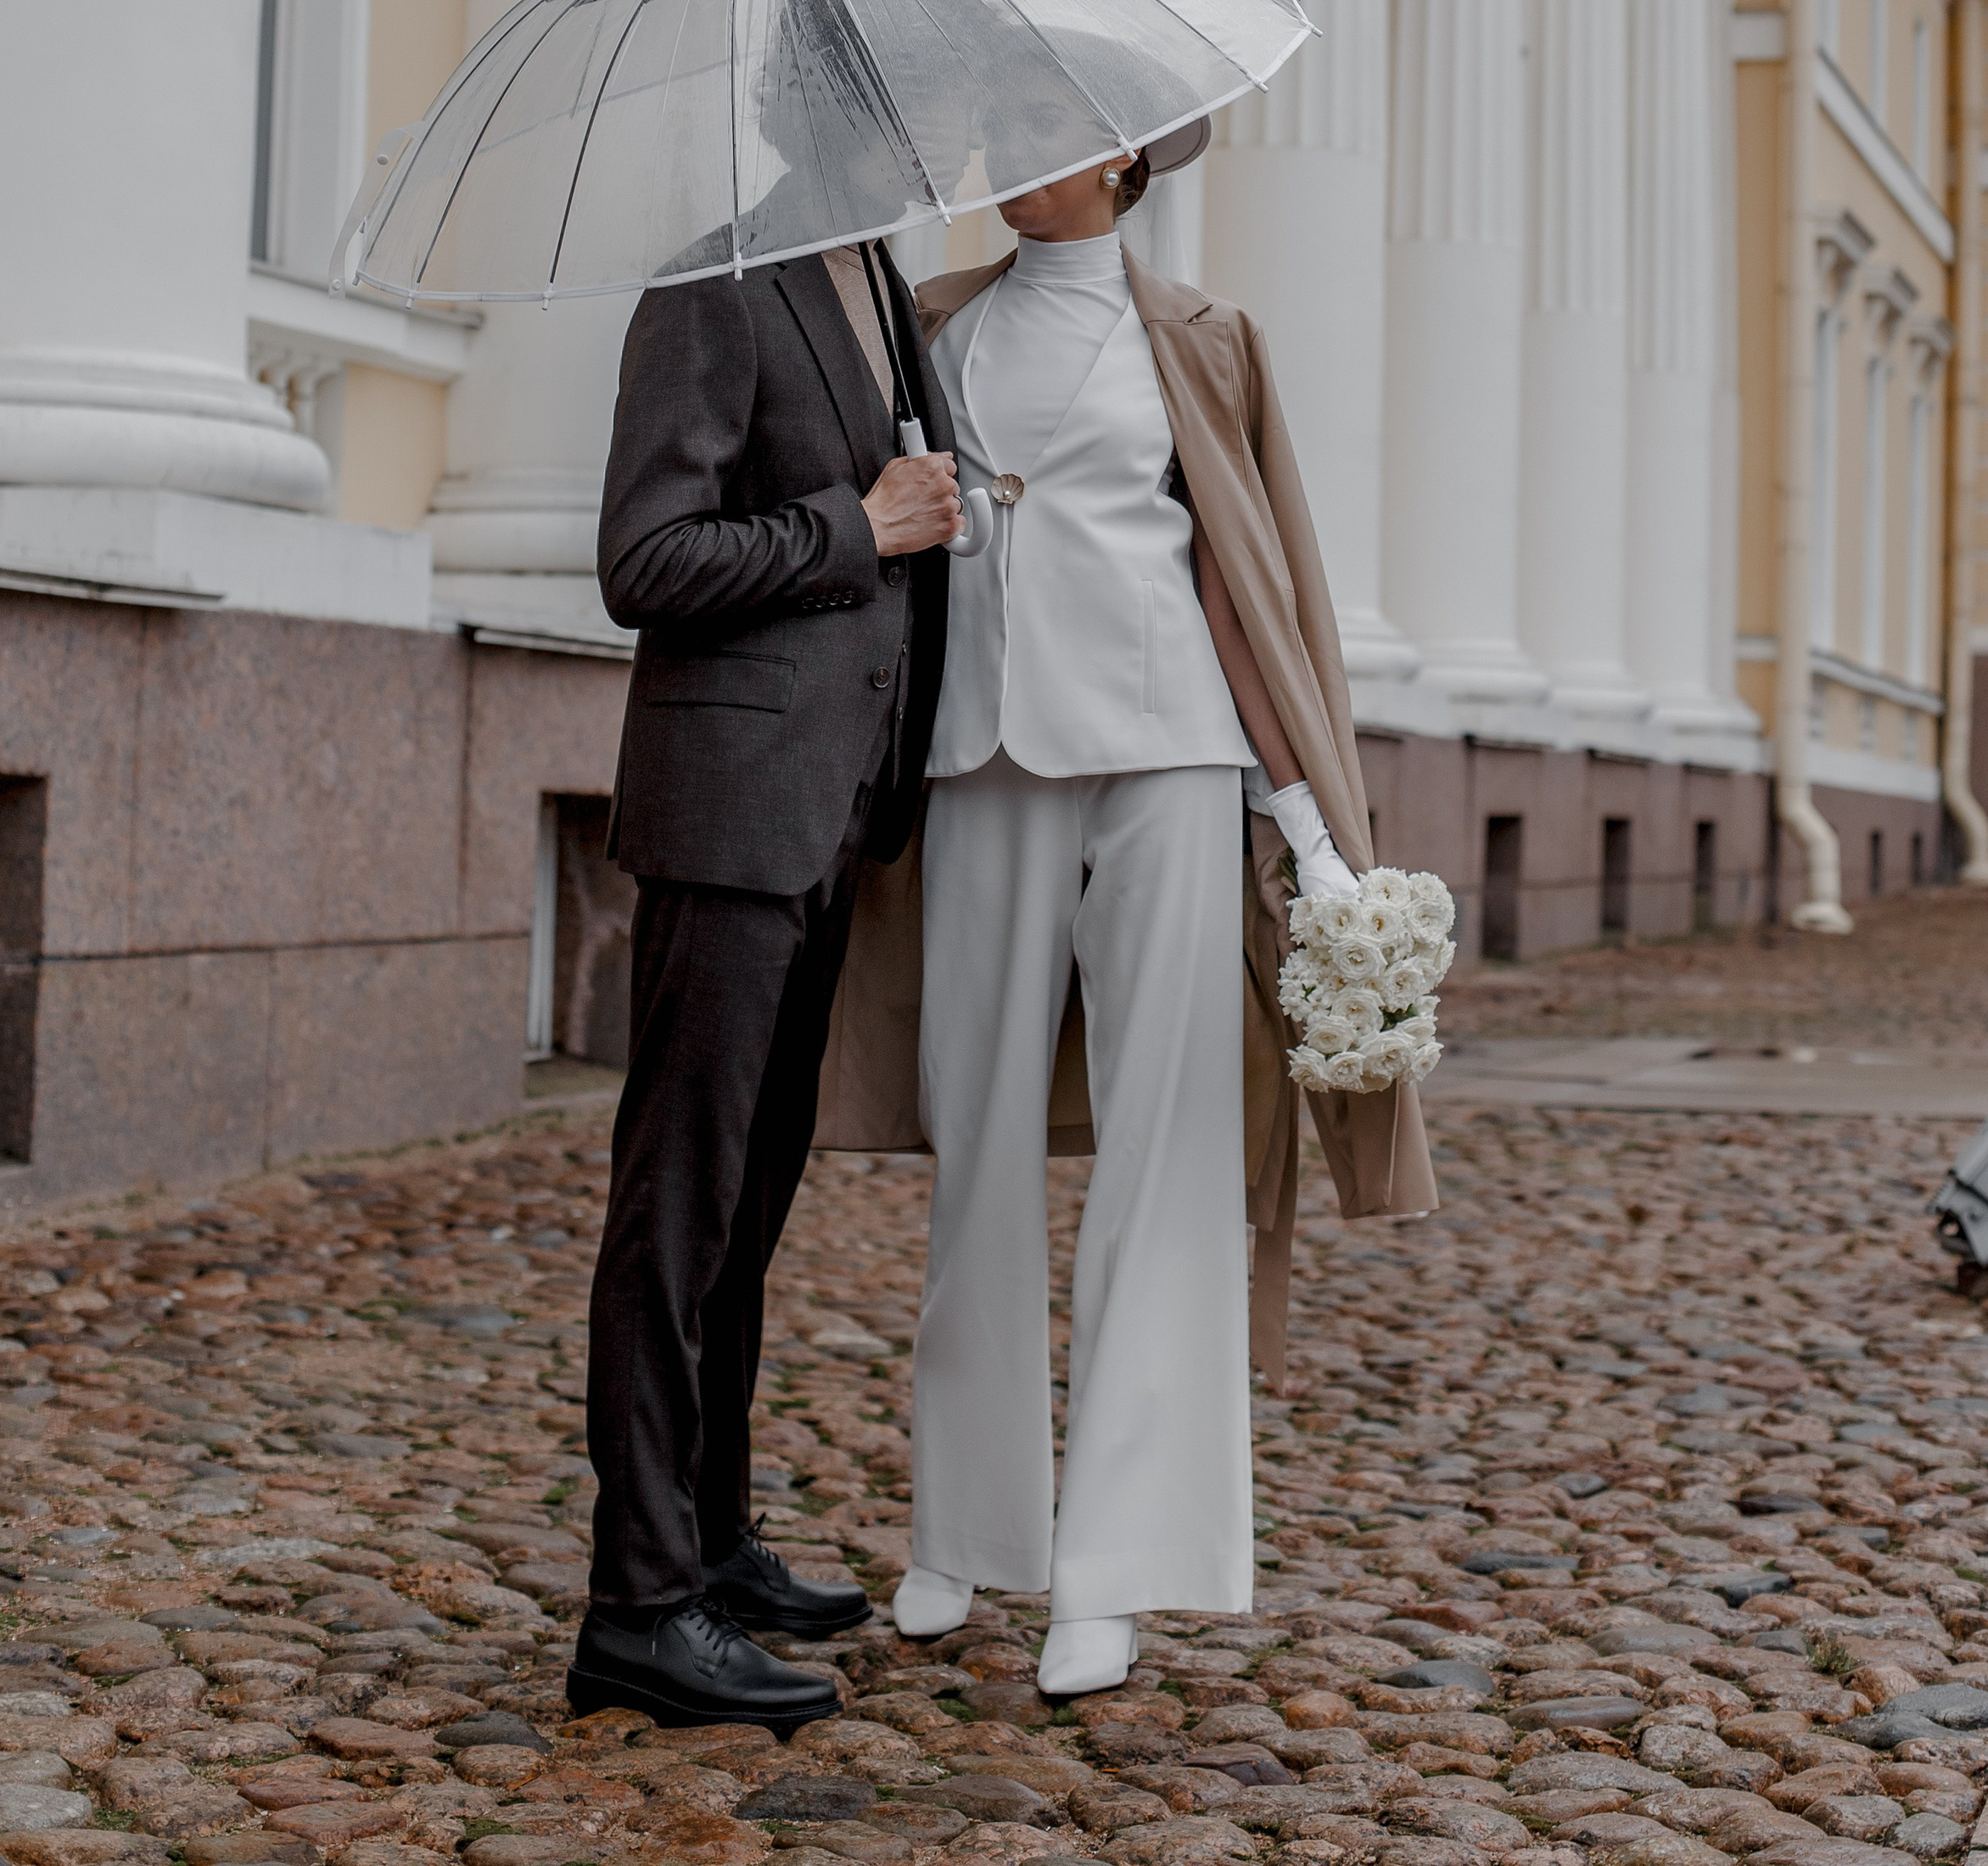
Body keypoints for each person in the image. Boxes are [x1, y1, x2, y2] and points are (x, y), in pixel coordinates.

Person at [830, 126, 1436, 1699]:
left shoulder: (1207, 337)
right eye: (1004, 140)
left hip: (1168, 752)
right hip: (981, 752)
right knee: (980, 1147)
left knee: (1171, 1157)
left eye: (1052, 143)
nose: (1015, 166)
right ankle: (966, 1529)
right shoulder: (933, 318)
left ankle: (1122, 1564)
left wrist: (1302, 817)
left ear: (1125, 166)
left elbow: (1247, 581)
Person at [568, 236, 962, 1731]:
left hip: (833, 812)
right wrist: (855, 523)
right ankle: (641, 1608)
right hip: (731, 807)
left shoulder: (878, 276)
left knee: (744, 1211)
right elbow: (646, 561)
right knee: (675, 1214)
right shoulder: (716, 279)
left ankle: (713, 1546)